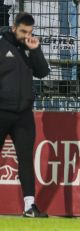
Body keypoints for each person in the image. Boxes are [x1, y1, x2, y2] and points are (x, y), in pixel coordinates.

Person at [0, 13, 50, 217]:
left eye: (29, 32)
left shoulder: (29, 48)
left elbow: (43, 72)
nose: (26, 36)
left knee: (26, 160)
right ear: (14, 28)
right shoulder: (2, 46)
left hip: (23, 114)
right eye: (23, 31)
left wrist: (35, 50)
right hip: (2, 111)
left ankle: (30, 206)